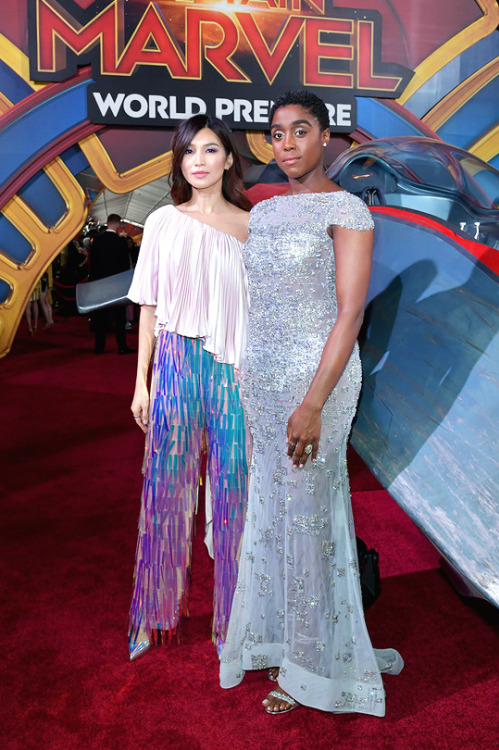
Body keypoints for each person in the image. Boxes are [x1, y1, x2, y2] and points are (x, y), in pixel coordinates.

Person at [219, 91, 403, 716]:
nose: (288, 143)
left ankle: (313, 665)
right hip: (264, 383)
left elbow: (350, 311)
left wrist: (314, 402)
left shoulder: (348, 208)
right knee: (274, 512)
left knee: (309, 520)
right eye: (277, 133)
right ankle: (281, 637)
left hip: (317, 385)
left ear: (326, 138)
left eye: (301, 131)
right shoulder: (264, 214)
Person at [127, 114, 251, 661]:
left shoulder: (254, 227)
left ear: (228, 158)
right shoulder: (161, 222)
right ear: (179, 162)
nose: (197, 160)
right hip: (176, 364)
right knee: (165, 493)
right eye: (188, 152)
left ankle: (232, 622)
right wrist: (142, 384)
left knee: (234, 497)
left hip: (236, 373)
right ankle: (153, 617)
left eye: (209, 149)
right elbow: (149, 307)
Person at [87, 215, 133, 354]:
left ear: (107, 223)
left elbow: (92, 264)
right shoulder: (120, 242)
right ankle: (121, 346)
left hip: (100, 284)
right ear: (118, 225)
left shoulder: (96, 241)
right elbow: (125, 266)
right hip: (117, 285)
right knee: (119, 317)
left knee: (100, 316)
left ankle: (99, 347)